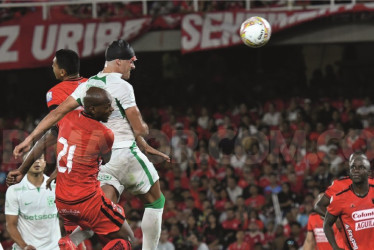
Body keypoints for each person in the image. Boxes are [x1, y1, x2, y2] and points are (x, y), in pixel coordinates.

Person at [13, 39, 169, 250]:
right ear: (119, 61)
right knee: (155, 200)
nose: (133, 66)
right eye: (131, 61)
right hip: (123, 153)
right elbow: (138, 128)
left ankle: (73, 240)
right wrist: (142, 134)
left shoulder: (89, 85)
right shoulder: (123, 87)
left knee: (99, 211)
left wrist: (29, 139)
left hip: (95, 163)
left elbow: (59, 115)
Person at [5, 155, 61, 250]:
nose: (37, 162)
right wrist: (24, 246)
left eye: (40, 158)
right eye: (31, 159)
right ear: (24, 164)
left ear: (45, 163)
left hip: (54, 247)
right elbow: (11, 225)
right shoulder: (14, 190)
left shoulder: (57, 186)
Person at [324, 155, 374, 249]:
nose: (356, 170)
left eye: (361, 167)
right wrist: (335, 247)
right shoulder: (339, 198)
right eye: (353, 167)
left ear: (369, 173)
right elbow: (327, 224)